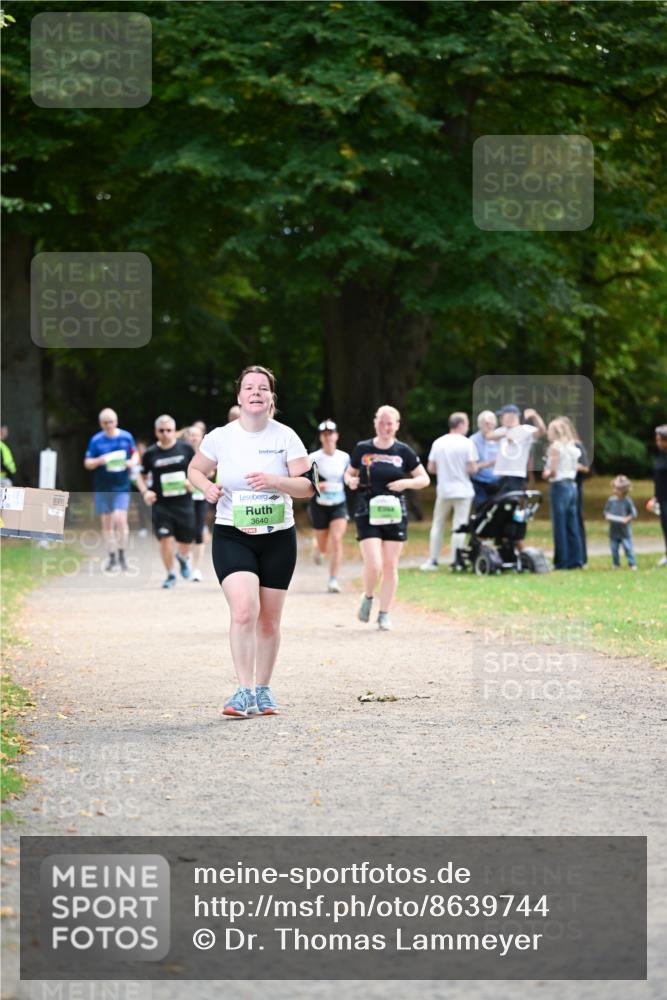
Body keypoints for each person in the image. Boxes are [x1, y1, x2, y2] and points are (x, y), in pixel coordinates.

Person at [187, 365, 315, 718]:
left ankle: (263, 689)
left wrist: (275, 480)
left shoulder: (286, 437)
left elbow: (307, 487)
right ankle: (243, 691)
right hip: (233, 534)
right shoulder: (220, 437)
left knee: (269, 620)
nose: (256, 392)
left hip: (277, 538)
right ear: (239, 396)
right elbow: (195, 470)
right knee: (244, 610)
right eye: (249, 387)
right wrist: (207, 487)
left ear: (271, 396)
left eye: (262, 387)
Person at [345, 405, 429, 630]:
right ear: (375, 423)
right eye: (381, 422)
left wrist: (406, 483)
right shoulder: (362, 448)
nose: (385, 427)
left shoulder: (404, 452)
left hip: (394, 510)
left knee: (390, 565)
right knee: (374, 564)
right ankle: (368, 596)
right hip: (367, 509)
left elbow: (424, 479)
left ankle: (384, 613)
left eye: (389, 423)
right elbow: (349, 472)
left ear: (397, 425)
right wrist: (350, 481)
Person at [136, 414, 196, 588]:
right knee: (165, 539)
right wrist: (145, 491)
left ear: (174, 430)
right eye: (161, 430)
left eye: (169, 430)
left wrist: (190, 481)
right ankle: (170, 574)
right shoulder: (150, 453)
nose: (165, 433)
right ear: (156, 432)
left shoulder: (186, 449)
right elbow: (140, 475)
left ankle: (183, 558)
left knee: (187, 540)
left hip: (184, 503)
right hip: (161, 504)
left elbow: (198, 469)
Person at [420, 412, 478, 571]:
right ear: (460, 425)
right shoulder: (467, 443)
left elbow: (431, 468)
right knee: (459, 526)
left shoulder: (439, 443)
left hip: (444, 490)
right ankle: (456, 561)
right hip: (463, 491)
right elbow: (472, 468)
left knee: (437, 525)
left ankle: (433, 560)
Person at [84, 408, 137, 572]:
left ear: (116, 421)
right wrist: (99, 461)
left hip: (121, 486)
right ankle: (112, 556)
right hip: (103, 487)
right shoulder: (96, 440)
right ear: (101, 423)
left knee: (120, 519)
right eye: (105, 422)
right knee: (107, 524)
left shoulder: (126, 437)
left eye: (111, 421)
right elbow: (87, 463)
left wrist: (132, 462)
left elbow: (135, 455)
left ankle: (122, 554)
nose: (108, 425)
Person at [486, 404, 545, 548]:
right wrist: (507, 433)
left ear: (511, 416)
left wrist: (534, 416)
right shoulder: (503, 430)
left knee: (514, 511)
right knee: (499, 511)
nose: (501, 419)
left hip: (515, 478)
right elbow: (489, 435)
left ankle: (515, 540)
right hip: (501, 478)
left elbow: (542, 431)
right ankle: (501, 540)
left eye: (503, 416)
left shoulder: (525, 430)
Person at [308, 419, 350, 593]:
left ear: (337, 435)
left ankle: (333, 580)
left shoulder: (344, 457)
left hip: (339, 503)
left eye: (331, 434)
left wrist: (351, 481)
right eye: (325, 434)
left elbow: (349, 475)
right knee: (324, 545)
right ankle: (317, 546)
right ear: (321, 437)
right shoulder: (313, 458)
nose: (328, 437)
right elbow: (306, 479)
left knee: (337, 539)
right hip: (319, 505)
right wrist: (317, 485)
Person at [542, 418, 584, 570]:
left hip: (559, 486)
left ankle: (562, 561)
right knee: (572, 524)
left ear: (554, 432)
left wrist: (546, 474)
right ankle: (576, 559)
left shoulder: (555, 447)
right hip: (572, 486)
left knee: (559, 525)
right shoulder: (572, 447)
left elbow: (552, 471)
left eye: (549, 430)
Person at [182, 424, 212, 582]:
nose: (194, 438)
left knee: (199, 531)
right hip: (183, 499)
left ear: (202, 437)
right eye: (191, 435)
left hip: (200, 497)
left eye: (197, 435)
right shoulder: (180, 453)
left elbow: (212, 471)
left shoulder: (207, 453)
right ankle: (184, 557)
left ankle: (196, 569)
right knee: (186, 531)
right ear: (186, 437)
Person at [560, 416, 590, 566]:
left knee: (576, 521)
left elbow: (585, 467)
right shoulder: (559, 447)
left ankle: (580, 557)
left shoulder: (576, 446)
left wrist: (570, 466)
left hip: (574, 487)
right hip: (563, 487)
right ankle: (567, 556)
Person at [604, 475, 638, 570]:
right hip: (613, 531)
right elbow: (606, 512)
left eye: (618, 489)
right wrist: (607, 516)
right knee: (614, 549)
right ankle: (616, 564)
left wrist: (628, 518)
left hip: (624, 531)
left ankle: (632, 563)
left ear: (624, 490)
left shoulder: (627, 501)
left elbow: (634, 513)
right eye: (614, 488)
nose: (615, 490)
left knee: (628, 548)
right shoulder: (611, 501)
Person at [469, 410, 500, 508]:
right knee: (482, 509)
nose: (489, 425)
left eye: (491, 422)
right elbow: (470, 467)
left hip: (498, 482)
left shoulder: (500, 438)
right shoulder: (473, 441)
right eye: (485, 423)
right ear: (479, 424)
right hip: (479, 482)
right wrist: (487, 464)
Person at [648, 424, 667, 566]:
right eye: (657, 440)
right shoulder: (660, 456)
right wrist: (655, 497)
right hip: (662, 498)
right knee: (665, 525)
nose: (659, 443)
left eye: (662, 440)